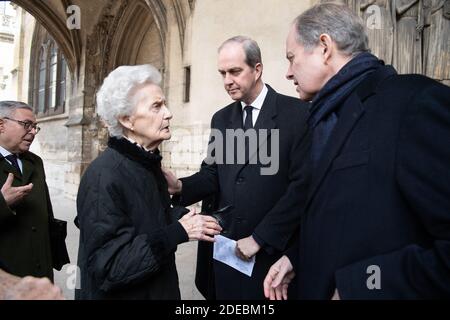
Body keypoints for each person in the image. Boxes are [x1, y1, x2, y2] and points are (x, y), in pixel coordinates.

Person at [264, 2, 450, 299]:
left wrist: (365, 284)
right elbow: (348, 217)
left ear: (324, 47)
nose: (288, 73)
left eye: (291, 58)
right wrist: (298, 258)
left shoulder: (413, 103)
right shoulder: (325, 119)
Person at [164, 36, 310, 299]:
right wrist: (180, 186)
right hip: (226, 253)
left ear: (257, 69)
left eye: (235, 71)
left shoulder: (297, 114)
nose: (227, 81)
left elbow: (302, 188)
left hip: (272, 255)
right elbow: (212, 174)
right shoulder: (222, 119)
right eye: (222, 73)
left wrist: (260, 238)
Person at [75, 64, 222, 300]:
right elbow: (111, 267)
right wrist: (178, 231)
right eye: (157, 106)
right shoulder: (103, 177)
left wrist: (178, 215)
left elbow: (141, 217)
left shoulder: (145, 163)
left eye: (164, 103)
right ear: (127, 120)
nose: (168, 113)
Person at [0, 101, 56, 280]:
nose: (32, 132)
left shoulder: (35, 162)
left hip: (40, 270)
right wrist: (2, 203)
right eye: (26, 125)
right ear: (1, 125)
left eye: (35, 127)